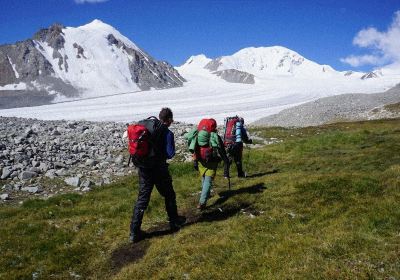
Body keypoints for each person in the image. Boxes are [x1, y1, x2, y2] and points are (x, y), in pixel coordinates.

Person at [129, 108, 186, 243]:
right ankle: (173, 221)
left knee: (142, 199)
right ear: (169, 120)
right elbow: (170, 154)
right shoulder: (167, 133)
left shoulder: (146, 127)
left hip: (144, 169)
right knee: (169, 194)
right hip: (159, 169)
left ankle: (134, 232)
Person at [188, 118, 229, 210]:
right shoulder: (214, 136)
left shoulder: (198, 135)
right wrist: (225, 160)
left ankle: (205, 194)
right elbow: (221, 150)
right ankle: (202, 202)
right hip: (212, 161)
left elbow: (194, 148)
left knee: (203, 176)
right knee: (208, 180)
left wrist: (195, 161)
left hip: (200, 160)